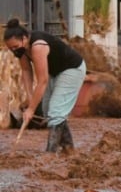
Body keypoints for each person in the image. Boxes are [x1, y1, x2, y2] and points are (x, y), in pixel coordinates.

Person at [4, 19, 86, 153]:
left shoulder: (38, 46)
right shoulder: (22, 50)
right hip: (55, 72)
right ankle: (68, 147)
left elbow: (42, 81)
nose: (14, 51)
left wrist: (31, 110)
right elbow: (26, 71)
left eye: (15, 46)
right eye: (10, 48)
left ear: (24, 39)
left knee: (55, 111)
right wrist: (30, 98)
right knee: (49, 111)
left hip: (72, 69)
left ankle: (50, 153)